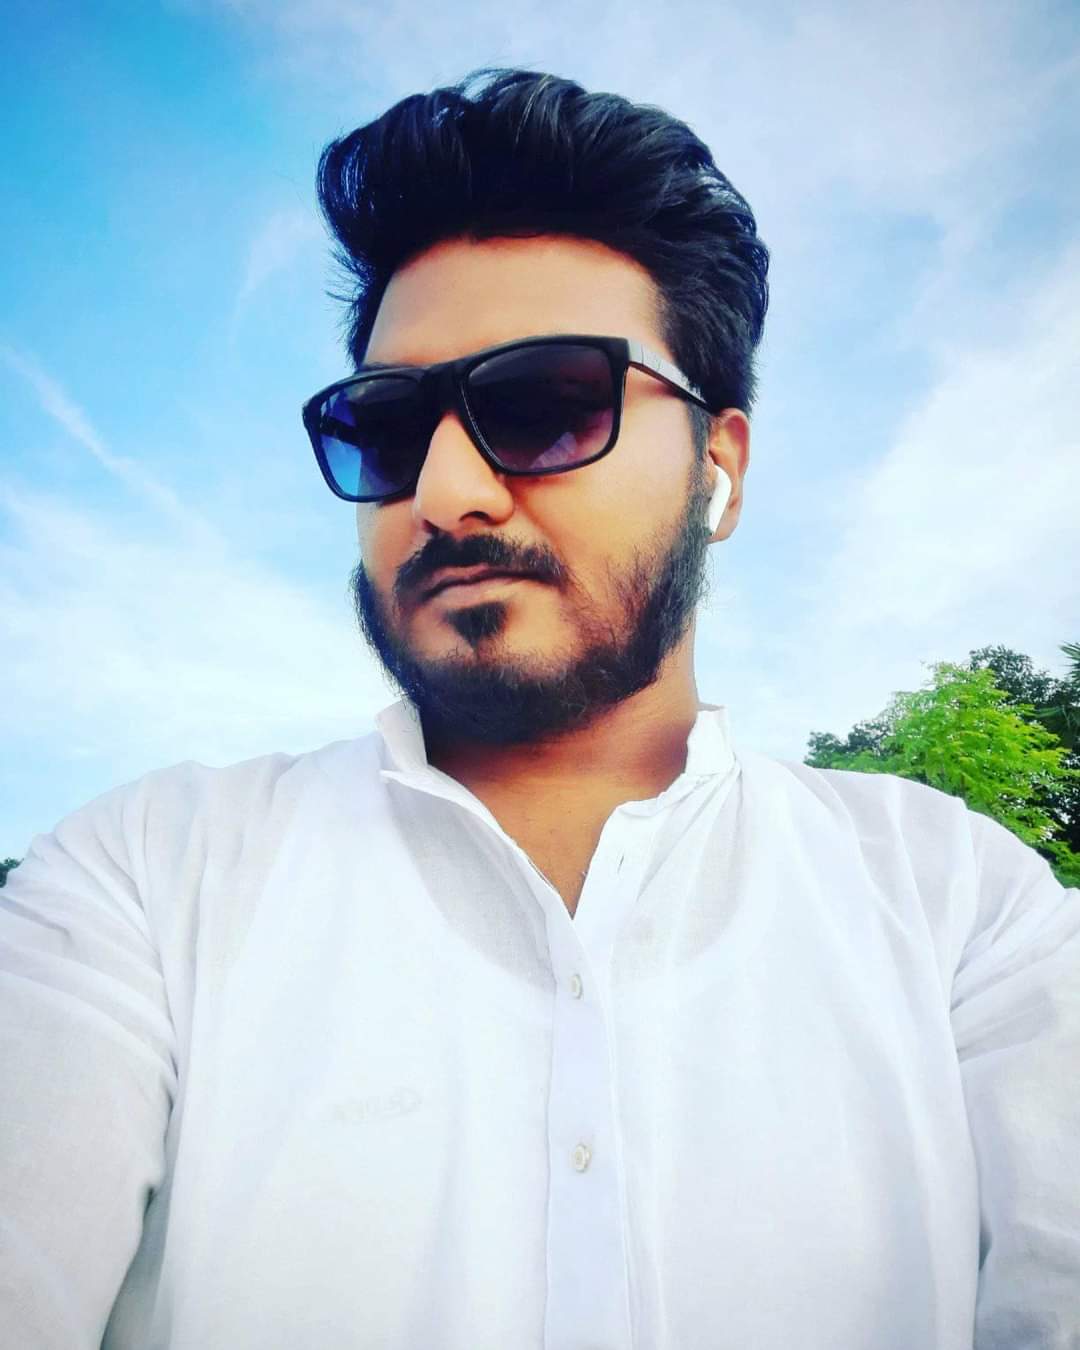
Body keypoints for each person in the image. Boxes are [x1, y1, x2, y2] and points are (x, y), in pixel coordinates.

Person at [2, 68, 1078, 1350]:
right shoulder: (143, 886)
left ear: (719, 465)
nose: (445, 490)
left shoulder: (962, 912)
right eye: (387, 427)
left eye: (546, 405)